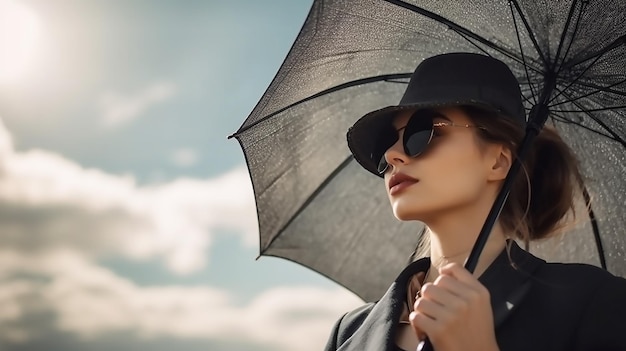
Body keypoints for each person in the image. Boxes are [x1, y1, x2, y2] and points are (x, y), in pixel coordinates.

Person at [324, 53, 626, 351]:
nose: (392, 154)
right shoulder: (349, 333)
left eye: (422, 132)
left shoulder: (591, 304)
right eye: (386, 142)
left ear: (498, 161)